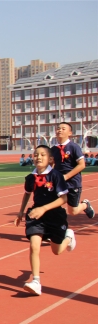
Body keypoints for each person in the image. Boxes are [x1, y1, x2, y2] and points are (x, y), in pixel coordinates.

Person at [15, 145, 76, 296]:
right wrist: (21, 212)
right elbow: (27, 193)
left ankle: (68, 236)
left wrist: (44, 208)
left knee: (57, 251)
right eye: (36, 154)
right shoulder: (31, 178)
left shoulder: (56, 176)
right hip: (36, 215)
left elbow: (63, 198)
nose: (38, 157)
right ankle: (36, 281)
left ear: (50, 159)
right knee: (34, 246)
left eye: (42, 155)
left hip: (55, 216)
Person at [50, 122, 95, 218]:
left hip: (73, 183)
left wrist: (66, 176)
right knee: (51, 205)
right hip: (59, 183)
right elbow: (51, 165)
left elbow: (82, 165)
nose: (60, 130)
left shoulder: (74, 147)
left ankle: (85, 205)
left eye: (63, 129)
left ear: (70, 133)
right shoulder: (53, 149)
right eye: (58, 128)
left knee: (73, 211)